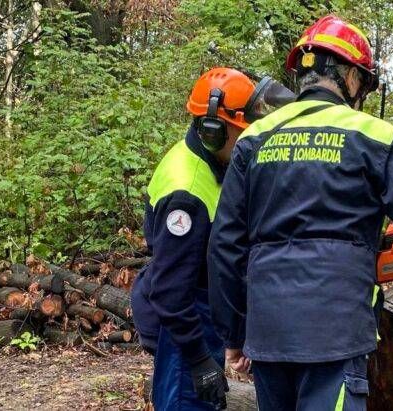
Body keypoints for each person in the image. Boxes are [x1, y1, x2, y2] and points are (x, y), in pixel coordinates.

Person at [208, 16, 393, 411]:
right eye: (362, 81)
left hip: (269, 332)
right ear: (350, 76)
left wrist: (235, 334)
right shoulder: (373, 136)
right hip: (336, 330)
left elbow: (225, 246)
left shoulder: (254, 140)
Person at [130, 67, 294, 410]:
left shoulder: (215, 166)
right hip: (186, 322)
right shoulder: (186, 193)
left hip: (206, 312)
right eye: (240, 133)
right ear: (213, 130)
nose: (247, 140)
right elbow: (170, 290)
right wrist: (198, 360)